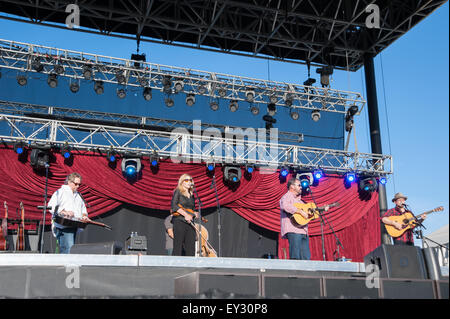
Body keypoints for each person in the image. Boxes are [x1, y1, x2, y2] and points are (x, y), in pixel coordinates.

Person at [48, 172, 90, 254]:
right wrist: (64, 212)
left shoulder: (78, 195)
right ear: (69, 182)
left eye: (79, 184)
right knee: (68, 250)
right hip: (63, 226)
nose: (78, 186)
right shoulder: (60, 192)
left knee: (70, 250)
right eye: (76, 184)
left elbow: (83, 209)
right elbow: (51, 206)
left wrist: (84, 216)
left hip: (74, 226)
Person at [280, 178, 314, 260]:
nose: (301, 187)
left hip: (303, 231)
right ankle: (295, 273)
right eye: (299, 185)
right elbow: (285, 206)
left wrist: (318, 211)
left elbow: (307, 215)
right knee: (295, 257)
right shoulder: (287, 196)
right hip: (293, 229)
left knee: (306, 257)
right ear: (292, 186)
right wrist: (300, 211)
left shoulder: (301, 202)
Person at [170, 174, 198, 256]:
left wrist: (194, 213)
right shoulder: (178, 191)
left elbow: (191, 208)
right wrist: (185, 215)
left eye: (190, 180)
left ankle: (191, 265)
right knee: (178, 245)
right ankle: (175, 265)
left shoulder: (191, 194)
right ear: (182, 182)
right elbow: (174, 206)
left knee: (191, 245)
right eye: (186, 180)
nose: (189, 182)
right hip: (179, 221)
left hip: (190, 222)